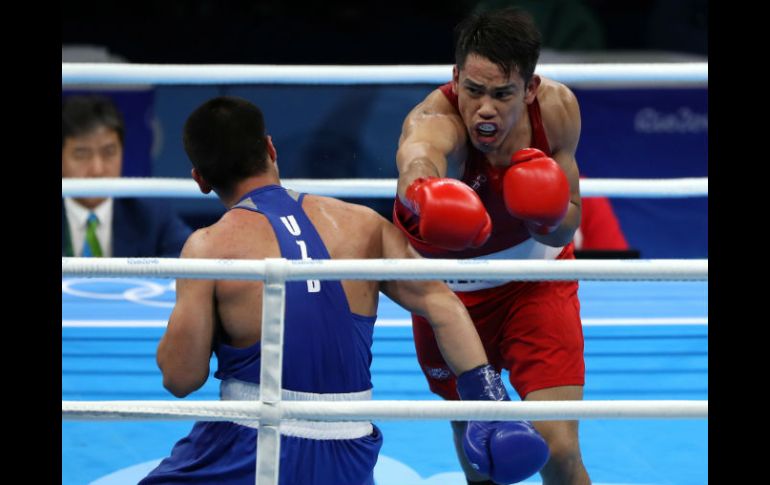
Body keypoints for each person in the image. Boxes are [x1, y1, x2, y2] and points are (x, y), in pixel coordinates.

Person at [140, 96, 550, 485]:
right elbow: (440, 302)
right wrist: (488, 400)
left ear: (199, 180)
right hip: (349, 448)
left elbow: (181, 378)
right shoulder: (361, 223)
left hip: (250, 444)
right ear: (270, 148)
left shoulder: (210, 247)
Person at [392, 7, 591, 485]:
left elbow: (570, 220)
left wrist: (546, 216)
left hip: (535, 283)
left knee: (557, 446)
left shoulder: (557, 111)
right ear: (456, 77)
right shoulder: (433, 120)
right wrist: (426, 196)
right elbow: (417, 159)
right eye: (473, 90)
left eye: (502, 94)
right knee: (483, 453)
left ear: (530, 88)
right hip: (451, 300)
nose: (484, 108)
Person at [62, 94, 191, 257]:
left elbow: (189, 259)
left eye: (109, 152)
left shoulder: (151, 214)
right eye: (81, 154)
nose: (97, 169)